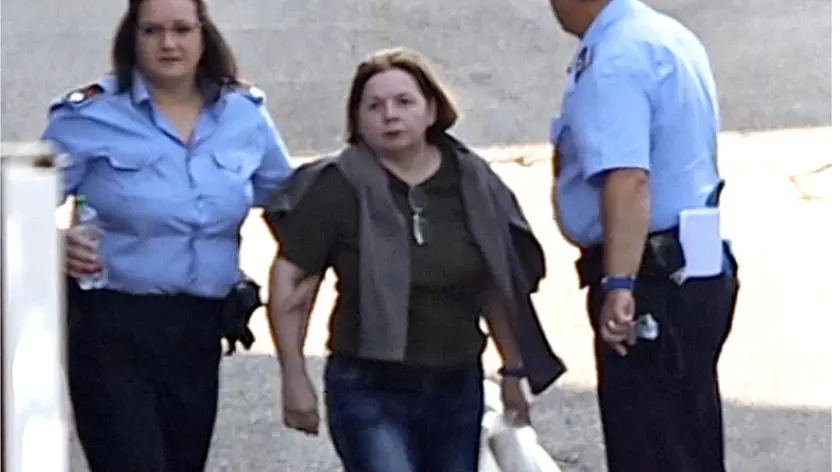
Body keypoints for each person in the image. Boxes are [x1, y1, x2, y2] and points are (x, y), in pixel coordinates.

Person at [262, 47, 565, 472]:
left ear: (431, 111)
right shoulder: (337, 185)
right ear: (357, 120)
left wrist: (513, 370)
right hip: (368, 385)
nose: (390, 115)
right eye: (374, 106)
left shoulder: (473, 181)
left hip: (456, 383)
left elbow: (495, 284)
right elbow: (291, 285)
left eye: (404, 102)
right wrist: (293, 377)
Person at [40, 0, 294, 470]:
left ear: (204, 35)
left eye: (182, 29)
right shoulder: (89, 116)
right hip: (112, 325)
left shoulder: (244, 114)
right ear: (131, 38)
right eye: (152, 31)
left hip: (199, 328)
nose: (168, 43)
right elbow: (19, 206)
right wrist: (51, 244)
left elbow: (293, 209)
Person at [546, 0, 740, 471]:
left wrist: (619, 284)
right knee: (688, 437)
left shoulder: (616, 58)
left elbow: (628, 178)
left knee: (651, 446)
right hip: (692, 262)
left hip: (650, 275)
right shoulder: (663, 35)